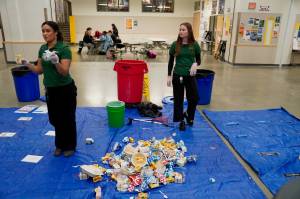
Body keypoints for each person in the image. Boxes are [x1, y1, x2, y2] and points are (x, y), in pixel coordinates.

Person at [21, 21, 77, 157]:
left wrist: (56, 62)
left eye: (48, 31)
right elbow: (39, 70)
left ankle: (69, 146)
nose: (45, 34)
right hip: (51, 90)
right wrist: (27, 64)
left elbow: (64, 71)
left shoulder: (64, 49)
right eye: (43, 31)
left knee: (67, 118)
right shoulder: (42, 48)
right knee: (55, 119)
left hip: (65, 89)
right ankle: (59, 144)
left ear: (55, 32)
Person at [167, 22, 201, 131]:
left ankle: (188, 115)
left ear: (189, 31)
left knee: (194, 98)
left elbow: (199, 59)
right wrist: (169, 75)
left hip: (190, 76)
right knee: (178, 99)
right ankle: (180, 120)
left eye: (183, 30)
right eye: (180, 29)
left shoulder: (194, 45)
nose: (181, 31)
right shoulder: (175, 44)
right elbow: (171, 61)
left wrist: (195, 64)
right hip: (177, 75)